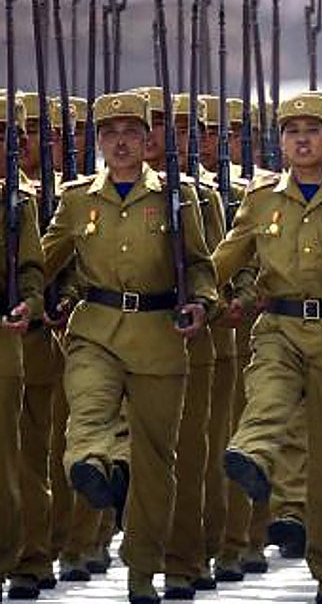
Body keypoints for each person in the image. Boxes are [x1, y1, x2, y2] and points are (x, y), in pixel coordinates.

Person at [214, 92, 322, 604]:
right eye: (292, 131)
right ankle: (251, 457)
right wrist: (202, 297)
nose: (302, 140)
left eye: (313, 130)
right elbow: (226, 258)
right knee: (268, 399)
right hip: (280, 327)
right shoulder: (262, 198)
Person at [41, 91, 217, 604]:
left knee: (156, 462)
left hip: (159, 336)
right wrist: (33, 298)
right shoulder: (78, 199)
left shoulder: (175, 197)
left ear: (147, 139)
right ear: (98, 142)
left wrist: (201, 303)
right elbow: (47, 259)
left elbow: (200, 264)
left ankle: (142, 568)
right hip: (94, 330)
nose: (120, 142)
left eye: (131, 133)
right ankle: (94, 465)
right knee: (87, 411)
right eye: (109, 134)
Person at [0, 95, 48, 601]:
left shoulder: (16, 202)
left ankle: (16, 557)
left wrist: (31, 303)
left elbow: (34, 269)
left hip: (5, 339)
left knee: (10, 461)